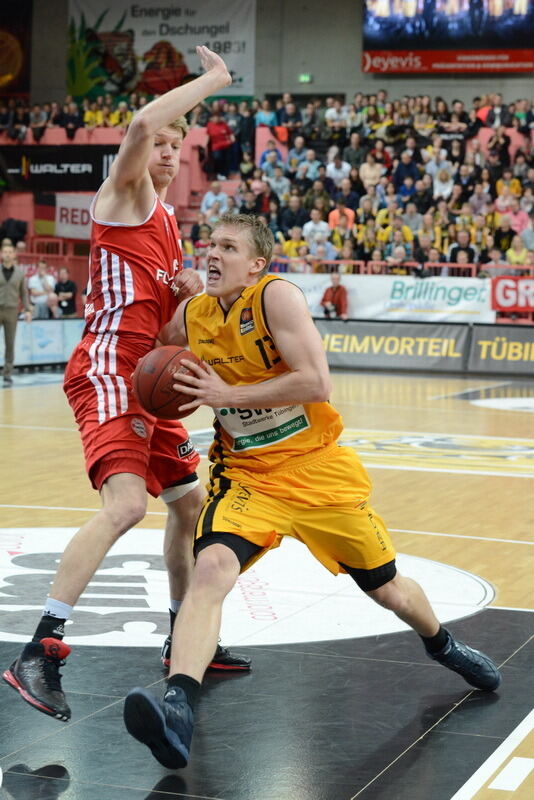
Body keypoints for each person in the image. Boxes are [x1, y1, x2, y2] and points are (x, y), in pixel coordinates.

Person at [123, 213, 501, 769]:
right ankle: (178, 706)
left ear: (256, 264)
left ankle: (443, 644)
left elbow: (316, 381)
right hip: (248, 475)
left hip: (318, 472)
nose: (212, 253)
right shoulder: (193, 313)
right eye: (209, 244)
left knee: (390, 590)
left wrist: (227, 391)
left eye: (228, 247)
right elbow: (158, 353)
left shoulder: (277, 299)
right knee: (211, 570)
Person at [2, 46, 249, 725]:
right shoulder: (124, 194)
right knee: (125, 507)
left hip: (146, 376)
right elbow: (140, 124)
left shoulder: (171, 229)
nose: (168, 150)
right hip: (109, 366)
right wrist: (215, 81)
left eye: (179, 144)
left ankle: (181, 638)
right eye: (163, 141)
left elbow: (167, 338)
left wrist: (193, 308)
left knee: (189, 503)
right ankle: (37, 650)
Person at [0, 241, 33, 384]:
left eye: (9, 252)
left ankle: (7, 372)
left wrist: (27, 309)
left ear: (14, 254)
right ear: (1, 254)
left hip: (12, 311)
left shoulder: (20, 273)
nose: (7, 254)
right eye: (5, 252)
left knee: (10, 343)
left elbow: (24, 293)